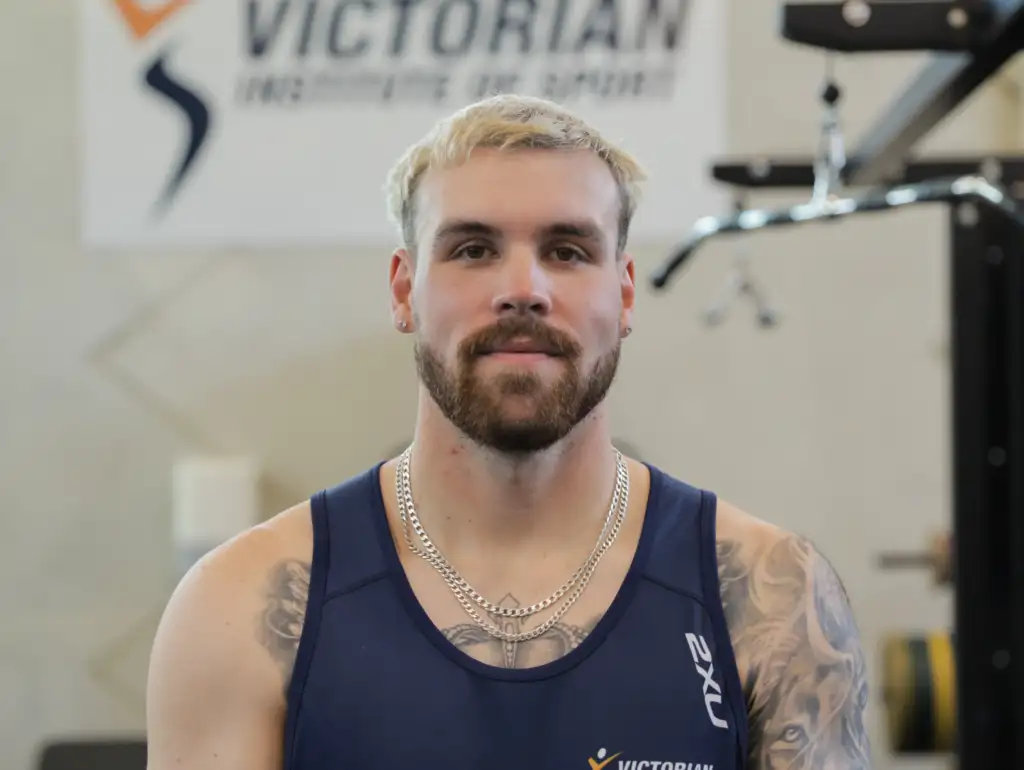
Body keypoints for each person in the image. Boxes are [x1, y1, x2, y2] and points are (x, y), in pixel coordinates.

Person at [145, 94, 872, 770]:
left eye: (566, 250)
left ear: (623, 293)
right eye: (472, 249)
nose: (524, 288)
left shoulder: (773, 598)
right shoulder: (241, 607)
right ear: (404, 291)